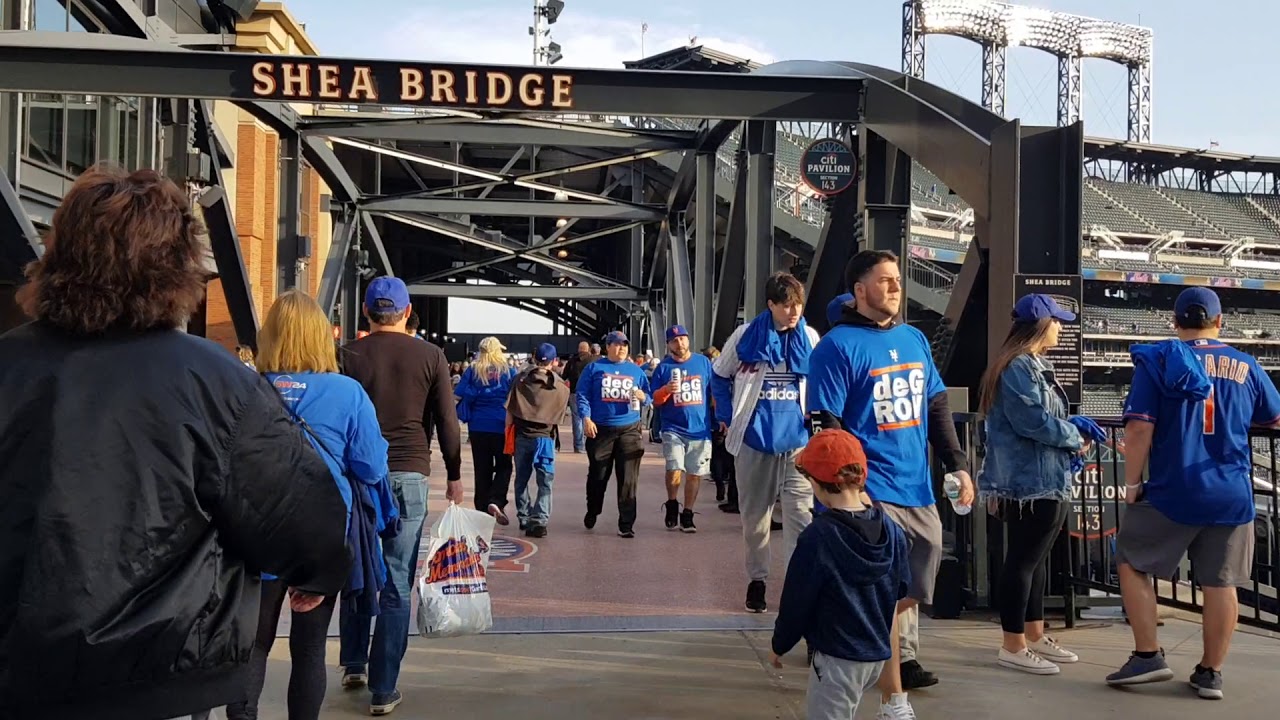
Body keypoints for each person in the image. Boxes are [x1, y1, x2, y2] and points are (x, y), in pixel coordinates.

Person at [0, 165, 350, 720]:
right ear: (176, 265)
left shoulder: (11, 364)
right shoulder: (212, 380)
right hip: (157, 669)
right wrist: (318, 571)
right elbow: (297, 509)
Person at [806, 250, 972, 720]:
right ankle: (892, 698)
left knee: (913, 590)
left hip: (916, 486)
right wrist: (847, 492)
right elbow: (825, 424)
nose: (896, 288)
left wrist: (957, 463)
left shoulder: (915, 338)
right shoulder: (837, 347)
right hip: (870, 491)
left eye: (898, 280)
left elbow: (937, 405)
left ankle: (836, 633)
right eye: (885, 281)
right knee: (882, 596)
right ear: (860, 290)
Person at [229, 291, 398, 720]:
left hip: (254, 534)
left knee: (253, 643)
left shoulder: (243, 389)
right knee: (309, 648)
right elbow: (371, 465)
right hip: (320, 535)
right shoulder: (348, 392)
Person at [1106, 287, 1280, 700]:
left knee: (1131, 559)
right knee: (1222, 583)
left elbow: (1139, 427)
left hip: (1174, 488)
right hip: (1231, 489)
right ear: (1219, 322)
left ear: (1176, 321)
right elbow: (1273, 418)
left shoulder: (1160, 358)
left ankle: (1148, 655)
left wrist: (1132, 484)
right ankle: (1210, 673)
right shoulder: (1246, 363)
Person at [340, 276, 463, 716]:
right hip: (409, 473)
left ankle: (353, 662)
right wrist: (454, 474)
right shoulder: (430, 356)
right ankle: (383, 687)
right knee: (395, 581)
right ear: (408, 312)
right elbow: (448, 421)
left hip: (356, 475)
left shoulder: (347, 355)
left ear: (367, 313)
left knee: (356, 566)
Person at [976, 293, 1103, 675]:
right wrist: (1074, 436)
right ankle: (1012, 643)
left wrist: (1070, 432)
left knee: (1035, 562)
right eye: (1058, 321)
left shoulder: (1028, 364)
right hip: (1030, 484)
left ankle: (1032, 634)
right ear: (1041, 325)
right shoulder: (1018, 368)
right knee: (1023, 562)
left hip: (1044, 480)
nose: (1062, 328)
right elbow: (1032, 422)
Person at [771, 430, 910, 720]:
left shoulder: (818, 537)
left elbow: (797, 600)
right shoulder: (892, 532)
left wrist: (780, 644)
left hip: (837, 658)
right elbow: (900, 588)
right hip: (877, 655)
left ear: (816, 483)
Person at [711, 272, 822, 613]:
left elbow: (819, 380)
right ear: (771, 304)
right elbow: (718, 374)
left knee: (801, 518)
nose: (794, 312)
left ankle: (797, 587)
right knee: (755, 519)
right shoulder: (746, 337)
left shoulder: (810, 337)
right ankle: (757, 579)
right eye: (787, 305)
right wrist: (726, 417)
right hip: (754, 439)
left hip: (797, 443)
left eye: (798, 305)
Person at [577, 330, 651, 538]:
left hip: (629, 429)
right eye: (617, 344)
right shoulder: (594, 368)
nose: (622, 348)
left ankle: (626, 523)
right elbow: (582, 394)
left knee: (628, 478)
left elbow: (649, 396)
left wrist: (643, 396)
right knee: (598, 475)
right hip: (601, 430)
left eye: (625, 344)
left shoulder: (636, 371)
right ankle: (593, 510)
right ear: (608, 347)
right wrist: (586, 417)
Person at [651, 324, 716, 533]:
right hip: (673, 428)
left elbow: (713, 392)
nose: (680, 343)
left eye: (683, 338)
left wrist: (722, 416)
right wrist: (666, 390)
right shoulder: (663, 368)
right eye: (675, 340)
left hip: (700, 429)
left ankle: (687, 513)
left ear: (688, 340)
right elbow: (656, 401)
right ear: (669, 344)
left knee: (695, 473)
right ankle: (672, 503)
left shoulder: (703, 363)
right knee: (674, 468)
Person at [507, 342, 572, 536]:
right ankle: (540, 519)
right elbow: (561, 414)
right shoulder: (560, 386)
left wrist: (508, 431)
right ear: (553, 361)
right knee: (545, 481)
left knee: (521, 479)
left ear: (534, 358)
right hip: (545, 438)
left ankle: (524, 517)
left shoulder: (519, 380)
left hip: (522, 435)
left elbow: (509, 409)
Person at [456, 336, 518, 524]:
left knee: (481, 469)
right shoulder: (509, 371)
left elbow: (457, 395)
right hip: (501, 425)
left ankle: (482, 508)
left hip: (477, 426)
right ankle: (496, 500)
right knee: (504, 466)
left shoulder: (473, 370)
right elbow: (515, 398)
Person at [561, 340, 597, 453]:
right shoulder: (594, 361)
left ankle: (578, 446)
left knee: (577, 419)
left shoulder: (572, 361)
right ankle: (590, 443)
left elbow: (564, 376)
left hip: (575, 393)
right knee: (590, 418)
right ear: (588, 349)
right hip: (591, 394)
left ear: (578, 349)